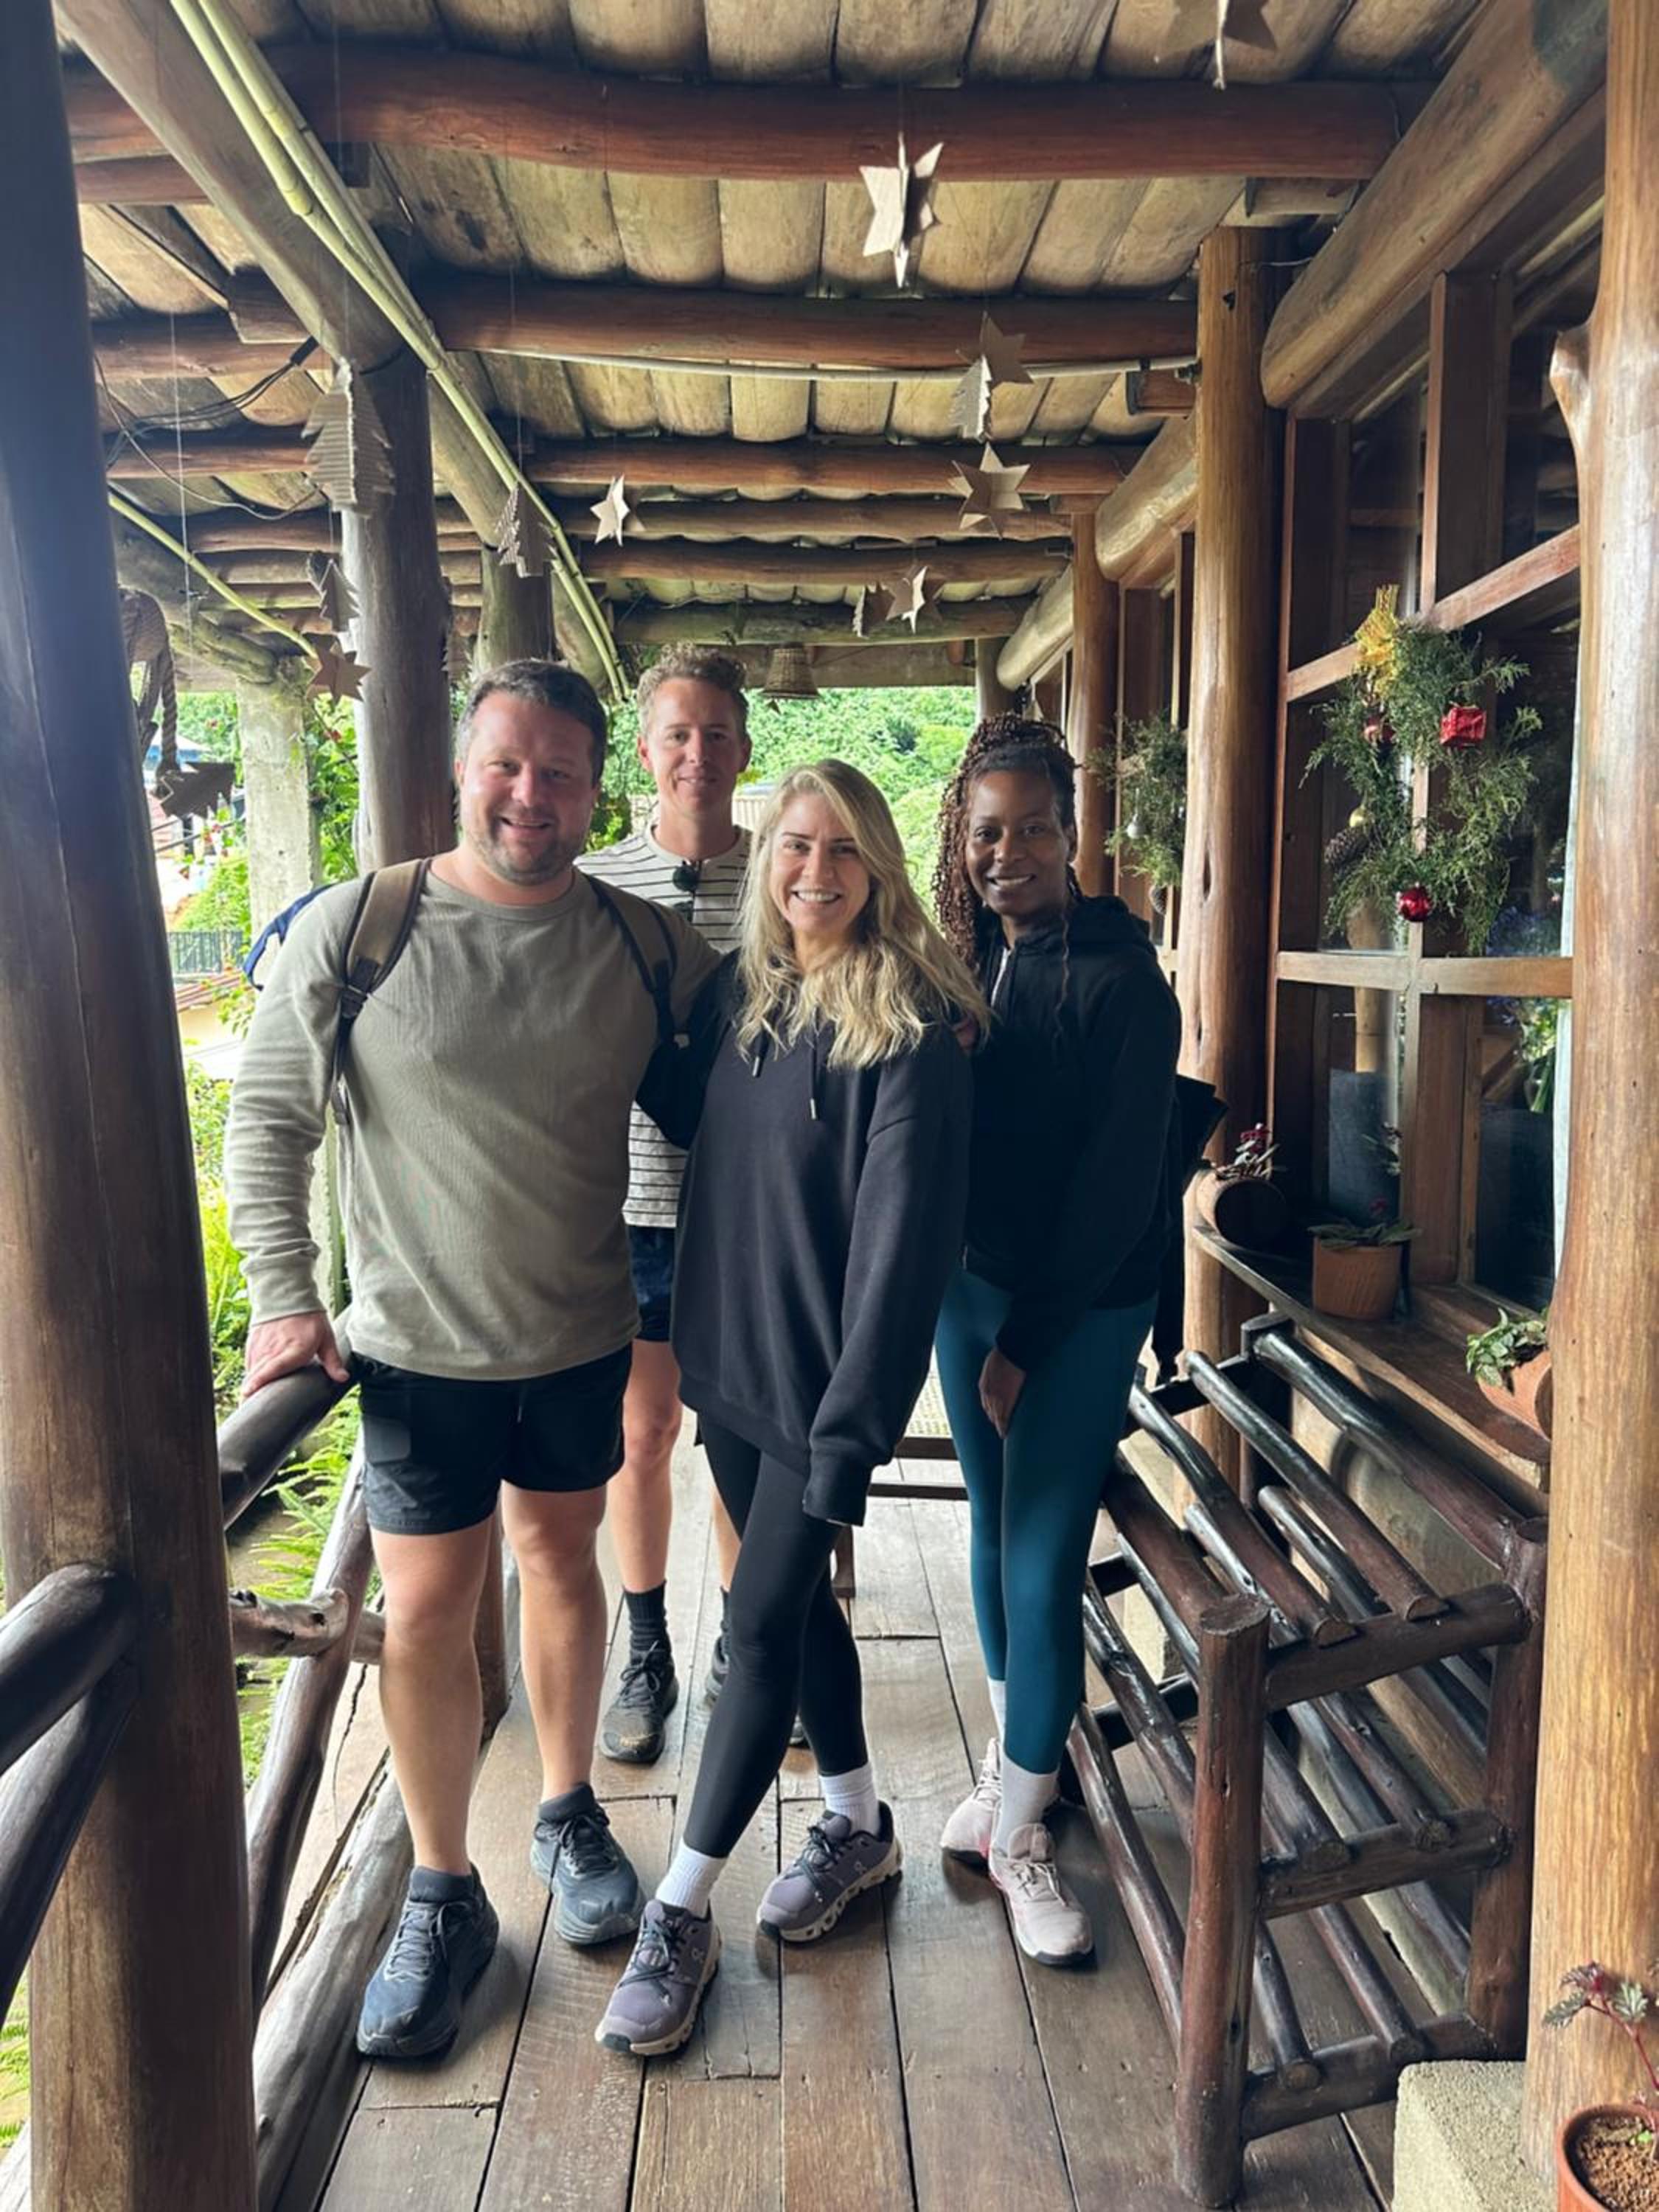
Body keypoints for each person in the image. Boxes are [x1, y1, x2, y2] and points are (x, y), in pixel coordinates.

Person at [226, 660, 718, 2062]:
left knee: (562, 1565)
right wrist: (284, 1297)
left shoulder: (644, 948)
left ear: (596, 789)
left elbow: (760, 1079)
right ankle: (443, 1890)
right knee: (430, 1614)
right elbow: (269, 1116)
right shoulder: (362, 927)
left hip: (579, 1332)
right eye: (506, 764)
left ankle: (567, 1809)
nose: (529, 794)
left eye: (559, 771)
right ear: (462, 769)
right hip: (414, 1348)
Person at [594, 761, 984, 2056]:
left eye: (840, 850)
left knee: (757, 1629)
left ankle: (677, 1909)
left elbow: (902, 1260)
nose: (814, 872)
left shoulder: (910, 1034)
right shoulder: (743, 1001)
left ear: (878, 868)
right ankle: (860, 1825)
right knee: (797, 1610)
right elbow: (674, 1104)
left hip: (819, 1397)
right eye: (794, 848)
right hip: (729, 1372)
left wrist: (850, 1436)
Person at [928, 714, 1181, 1966]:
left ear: (1073, 832)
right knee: (986, 1532)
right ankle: (1018, 1768)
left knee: (1038, 1562)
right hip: (969, 1293)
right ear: (961, 839)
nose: (1009, 852)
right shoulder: (974, 958)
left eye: (1033, 828)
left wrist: (1022, 1344)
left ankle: (1020, 1836)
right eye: (988, 832)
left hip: (1077, 1311)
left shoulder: (1125, 983)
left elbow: (1115, 1197)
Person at [576, 646, 752, 1764]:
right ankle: (647, 1647)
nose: (697, 753)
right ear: (644, 752)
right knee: (642, 1433)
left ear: (744, 748)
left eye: (716, 733)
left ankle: (745, 1639)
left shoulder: (787, 871)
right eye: (677, 734)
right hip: (630, 1202)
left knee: (740, 1435)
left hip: (750, 1211)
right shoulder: (594, 882)